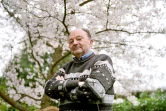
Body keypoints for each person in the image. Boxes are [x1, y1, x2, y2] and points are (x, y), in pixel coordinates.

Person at [44, 28, 115, 111]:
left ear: (90, 42)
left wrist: (63, 86)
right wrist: (79, 83)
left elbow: (95, 90)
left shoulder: (102, 60)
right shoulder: (66, 67)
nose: (74, 43)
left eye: (79, 39)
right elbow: (48, 88)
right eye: (71, 41)